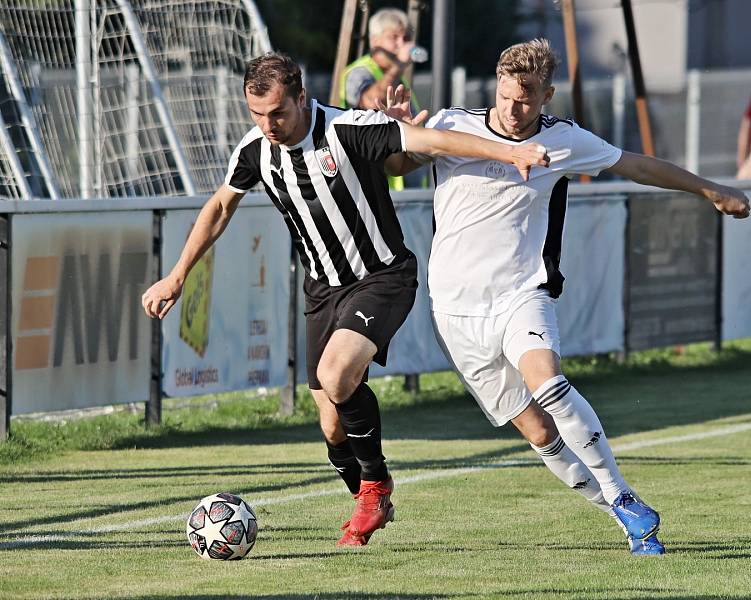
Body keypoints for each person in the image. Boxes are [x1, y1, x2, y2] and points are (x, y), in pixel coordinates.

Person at [141, 52, 549, 547]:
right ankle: (369, 497)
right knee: (332, 425)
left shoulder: (349, 129)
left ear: (301, 98)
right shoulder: (255, 152)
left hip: (383, 277)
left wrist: (511, 152)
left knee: (337, 375)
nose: (268, 124)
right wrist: (177, 275)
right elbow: (221, 206)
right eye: (257, 114)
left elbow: (434, 141)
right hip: (322, 290)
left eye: (278, 113)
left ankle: (376, 484)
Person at [382, 39, 750, 555]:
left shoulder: (565, 140)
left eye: (527, 98)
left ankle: (620, 492)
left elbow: (636, 166)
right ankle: (625, 516)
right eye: (508, 95)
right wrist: (400, 136)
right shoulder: (452, 124)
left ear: (547, 95)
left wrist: (709, 189)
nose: (514, 108)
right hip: (454, 311)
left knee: (549, 381)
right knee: (538, 433)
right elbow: (398, 167)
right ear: (497, 85)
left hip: (520, 293)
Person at [339, 7, 425, 190]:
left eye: (406, 38)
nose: (401, 44)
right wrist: (399, 65)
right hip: (375, 190)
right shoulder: (359, 72)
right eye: (394, 37)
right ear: (375, 41)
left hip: (407, 194)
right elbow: (369, 104)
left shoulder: (397, 78)